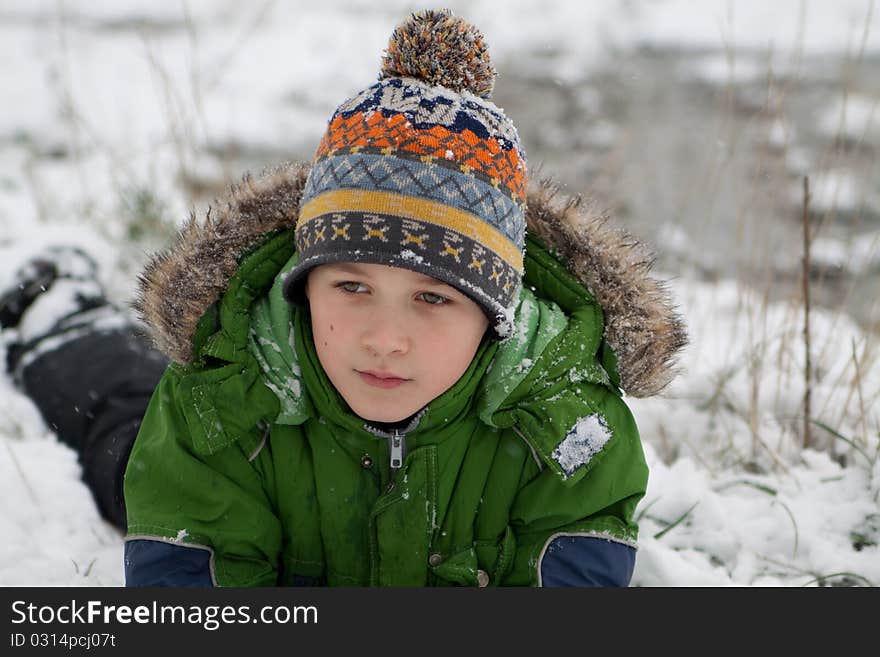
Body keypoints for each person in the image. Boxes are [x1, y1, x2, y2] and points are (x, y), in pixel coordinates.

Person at [1, 9, 686, 587]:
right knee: (121, 428)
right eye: (352, 286)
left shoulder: (565, 425)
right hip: (259, 429)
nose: (385, 337)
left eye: (434, 298)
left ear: (496, 314)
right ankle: (58, 315)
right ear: (303, 285)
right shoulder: (221, 400)